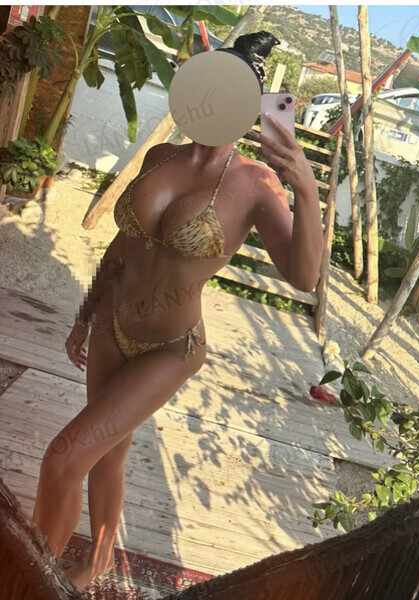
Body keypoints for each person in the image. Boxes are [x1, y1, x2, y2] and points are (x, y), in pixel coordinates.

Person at [31, 31, 324, 591]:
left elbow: (304, 276)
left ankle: (28, 579)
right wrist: (86, 312)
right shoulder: (161, 156)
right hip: (111, 325)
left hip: (170, 347)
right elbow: (123, 246)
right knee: (107, 453)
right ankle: (95, 564)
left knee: (64, 457)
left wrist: (306, 190)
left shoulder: (256, 183)